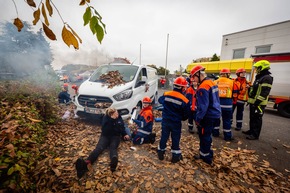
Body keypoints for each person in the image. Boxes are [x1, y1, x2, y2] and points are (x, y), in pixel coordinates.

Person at [75, 108, 130, 178]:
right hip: (105, 136)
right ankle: (86, 164)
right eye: (116, 113)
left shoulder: (119, 117)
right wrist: (112, 120)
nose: (117, 114)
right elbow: (105, 130)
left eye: (117, 112)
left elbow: (122, 127)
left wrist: (125, 134)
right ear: (111, 115)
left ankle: (113, 162)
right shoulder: (106, 118)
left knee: (113, 147)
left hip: (115, 136)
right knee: (98, 149)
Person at [190, 65, 221, 165]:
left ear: (199, 74)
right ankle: (207, 153)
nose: (193, 79)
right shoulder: (211, 82)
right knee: (207, 135)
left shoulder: (203, 87)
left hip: (207, 116)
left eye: (194, 76)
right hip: (214, 113)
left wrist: (198, 119)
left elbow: (203, 106)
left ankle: (205, 157)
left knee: (204, 136)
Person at [157, 76, 190, 163]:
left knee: (164, 137)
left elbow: (160, 100)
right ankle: (175, 157)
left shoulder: (166, 94)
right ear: (182, 88)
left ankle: (160, 153)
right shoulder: (185, 100)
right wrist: (181, 118)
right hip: (176, 122)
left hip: (165, 121)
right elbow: (186, 114)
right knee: (175, 138)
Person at [243, 60, 273, 140]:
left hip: (259, 103)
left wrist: (257, 102)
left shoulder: (267, 78)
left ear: (262, 67)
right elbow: (257, 88)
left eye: (257, 68)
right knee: (252, 118)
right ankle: (251, 131)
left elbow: (265, 92)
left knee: (257, 118)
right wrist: (251, 87)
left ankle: (255, 135)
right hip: (254, 102)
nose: (256, 70)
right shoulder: (260, 77)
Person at [213, 68, 239, 141]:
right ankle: (227, 136)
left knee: (216, 119)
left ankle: (215, 133)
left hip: (217, 104)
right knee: (227, 120)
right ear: (228, 74)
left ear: (220, 74)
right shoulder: (232, 82)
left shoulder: (215, 82)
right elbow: (235, 94)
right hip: (227, 105)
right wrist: (233, 101)